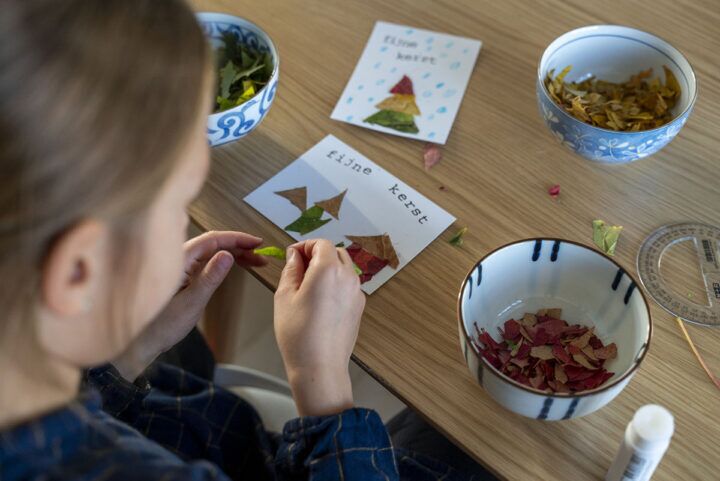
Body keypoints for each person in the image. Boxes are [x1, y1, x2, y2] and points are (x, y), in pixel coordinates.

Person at [0, 1, 495, 480]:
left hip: (178, 418)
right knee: (480, 436)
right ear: (77, 271)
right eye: (179, 206)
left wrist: (130, 351)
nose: (185, 224)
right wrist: (321, 387)